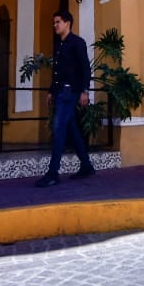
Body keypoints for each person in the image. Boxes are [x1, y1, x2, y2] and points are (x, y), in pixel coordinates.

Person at [35, 11, 96, 187]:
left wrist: (85, 91)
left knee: (59, 128)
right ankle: (86, 166)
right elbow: (57, 72)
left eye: (58, 22)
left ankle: (53, 173)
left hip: (71, 92)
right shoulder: (59, 44)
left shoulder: (77, 43)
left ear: (67, 23)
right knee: (71, 130)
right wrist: (51, 91)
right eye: (54, 22)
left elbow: (85, 68)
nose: (55, 25)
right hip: (60, 92)